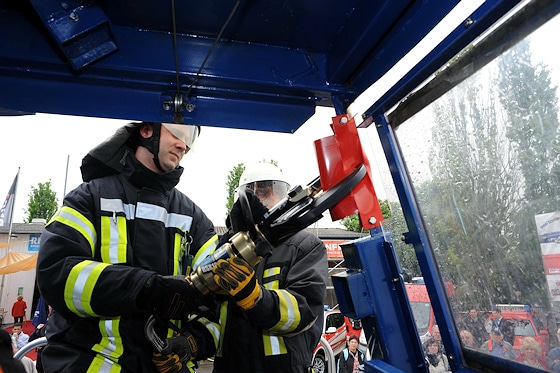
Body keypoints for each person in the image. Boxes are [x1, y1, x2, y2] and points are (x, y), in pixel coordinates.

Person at [36, 121, 221, 372]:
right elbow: (56, 274)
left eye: (191, 138)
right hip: (87, 362)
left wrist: (194, 341)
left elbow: (219, 300)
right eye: (178, 132)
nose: (183, 145)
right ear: (146, 130)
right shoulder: (88, 198)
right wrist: (147, 289)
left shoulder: (194, 219)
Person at [208, 163, 328, 372]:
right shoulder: (226, 249)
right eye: (258, 191)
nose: (264, 198)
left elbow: (304, 309)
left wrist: (255, 298)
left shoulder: (303, 246)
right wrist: (195, 342)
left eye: (271, 191)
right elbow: (209, 310)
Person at [28, 305, 52, 373]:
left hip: (50, 356)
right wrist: (37, 330)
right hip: (40, 355)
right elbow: (31, 339)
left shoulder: (56, 330)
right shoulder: (41, 328)